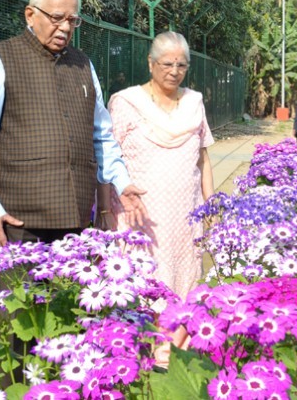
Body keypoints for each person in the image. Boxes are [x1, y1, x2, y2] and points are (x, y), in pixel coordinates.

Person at [0, 0, 147, 247]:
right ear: (30, 15)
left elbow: (102, 136)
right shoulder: (0, 58)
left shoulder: (84, 65)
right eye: (57, 18)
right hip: (19, 223)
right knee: (18, 291)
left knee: (71, 291)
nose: (65, 28)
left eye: (72, 20)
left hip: (76, 220)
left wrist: (121, 182)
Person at [105, 31, 214, 364]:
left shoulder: (194, 101)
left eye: (182, 64)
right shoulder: (125, 102)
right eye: (167, 63)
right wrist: (104, 214)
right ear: (150, 63)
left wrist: (211, 205)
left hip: (185, 218)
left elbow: (204, 158)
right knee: (145, 283)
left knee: (184, 282)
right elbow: (107, 157)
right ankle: (139, 357)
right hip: (140, 218)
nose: (175, 70)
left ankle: (176, 356)